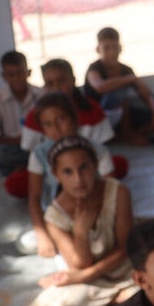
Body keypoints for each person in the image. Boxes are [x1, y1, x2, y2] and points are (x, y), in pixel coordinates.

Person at [20, 136, 138, 306]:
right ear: (56, 174)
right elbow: (80, 263)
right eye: (68, 172)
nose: (78, 179)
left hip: (127, 269)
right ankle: (125, 299)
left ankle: (123, 298)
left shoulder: (117, 192)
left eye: (84, 168)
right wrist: (81, 231)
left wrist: (83, 275)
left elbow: (125, 248)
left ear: (96, 166)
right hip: (92, 282)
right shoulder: (54, 216)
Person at [26, 92, 117, 258]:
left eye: (61, 120)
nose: (56, 129)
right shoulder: (39, 154)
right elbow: (34, 197)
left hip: (92, 213)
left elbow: (111, 191)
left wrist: (91, 222)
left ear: (74, 119)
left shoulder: (98, 152)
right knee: (26, 243)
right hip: (57, 219)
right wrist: (42, 235)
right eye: (48, 124)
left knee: (112, 238)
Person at [17, 58, 126, 182]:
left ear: (73, 80)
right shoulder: (36, 114)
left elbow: (100, 149)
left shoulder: (91, 108)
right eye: (50, 83)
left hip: (86, 167)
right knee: (17, 181)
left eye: (61, 81)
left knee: (118, 164)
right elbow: (34, 154)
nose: (56, 87)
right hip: (50, 170)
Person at [83, 26, 154, 145]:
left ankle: (120, 136)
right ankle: (127, 135)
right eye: (107, 48)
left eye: (115, 47)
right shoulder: (94, 69)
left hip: (122, 118)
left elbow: (145, 94)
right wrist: (129, 79)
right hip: (99, 119)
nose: (112, 53)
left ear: (120, 48)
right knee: (116, 94)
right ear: (98, 50)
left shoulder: (126, 70)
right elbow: (100, 87)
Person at [0, 50, 41, 181]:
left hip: (38, 146)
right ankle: (28, 169)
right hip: (16, 149)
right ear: (4, 76)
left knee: (49, 150)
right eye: (10, 74)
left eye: (20, 73)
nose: (16, 79)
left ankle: (21, 171)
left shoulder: (42, 95)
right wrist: (17, 140)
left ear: (29, 72)